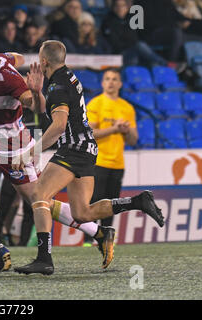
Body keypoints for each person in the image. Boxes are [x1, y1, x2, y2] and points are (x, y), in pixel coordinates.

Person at [0, 39, 117, 270]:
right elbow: (18, 57)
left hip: (15, 150)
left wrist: (34, 92)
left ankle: (99, 232)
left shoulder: (10, 81)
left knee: (39, 201)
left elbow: (38, 107)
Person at [13, 40, 164, 275]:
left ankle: (44, 258)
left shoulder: (59, 86)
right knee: (82, 213)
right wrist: (35, 91)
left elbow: (59, 125)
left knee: (38, 195)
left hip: (73, 148)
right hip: (86, 149)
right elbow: (47, 113)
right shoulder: (67, 78)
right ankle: (137, 202)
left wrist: (31, 151)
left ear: (43, 62)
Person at [83, 68, 138, 245]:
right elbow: (90, 133)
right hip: (98, 161)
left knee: (112, 204)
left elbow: (133, 139)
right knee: (93, 202)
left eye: (115, 79)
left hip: (117, 163)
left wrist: (126, 130)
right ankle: (88, 239)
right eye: (107, 79)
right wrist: (114, 129)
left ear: (120, 84)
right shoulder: (95, 104)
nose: (111, 82)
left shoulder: (127, 108)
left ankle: (106, 239)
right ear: (102, 83)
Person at [101, 0, 168, 67]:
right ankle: (166, 64)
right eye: (117, 6)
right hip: (119, 55)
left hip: (133, 52)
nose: (120, 8)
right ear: (113, 7)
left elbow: (139, 36)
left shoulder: (133, 19)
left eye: (123, 6)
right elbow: (113, 42)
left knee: (153, 64)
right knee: (140, 46)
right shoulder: (108, 21)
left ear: (127, 7)